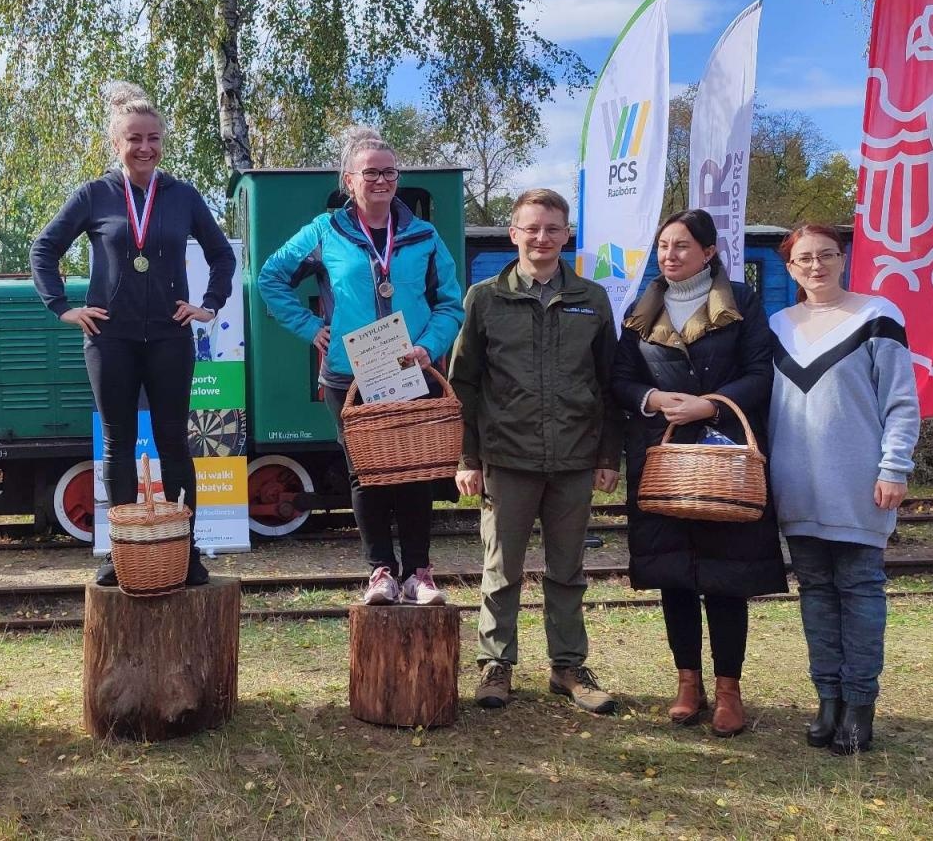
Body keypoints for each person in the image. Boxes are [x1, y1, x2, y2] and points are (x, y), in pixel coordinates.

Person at [30, 82, 236, 586]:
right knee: (118, 445)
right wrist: (62, 307)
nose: (144, 147)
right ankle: (121, 553)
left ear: (162, 141)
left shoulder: (182, 195)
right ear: (115, 143)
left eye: (153, 138)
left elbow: (222, 254)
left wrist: (209, 305)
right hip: (110, 338)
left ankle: (186, 553)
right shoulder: (94, 194)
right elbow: (44, 249)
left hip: (169, 336)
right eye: (133, 139)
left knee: (173, 443)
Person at [259, 125, 465, 605]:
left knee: (414, 469)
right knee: (365, 472)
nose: (382, 180)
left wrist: (427, 345)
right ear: (348, 180)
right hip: (348, 375)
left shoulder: (423, 235)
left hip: (409, 367)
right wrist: (311, 328)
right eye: (370, 172)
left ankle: (418, 573)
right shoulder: (324, 231)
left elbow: (450, 304)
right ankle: (380, 573)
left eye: (389, 171)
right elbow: (271, 278)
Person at [611, 209, 787, 737]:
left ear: (709, 252)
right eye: (664, 245)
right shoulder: (642, 309)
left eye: (682, 246)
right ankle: (688, 682)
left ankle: (729, 689)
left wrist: (709, 405)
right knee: (674, 574)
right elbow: (619, 378)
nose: (670, 255)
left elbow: (762, 374)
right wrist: (652, 397)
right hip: (663, 458)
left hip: (724, 456)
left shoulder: (742, 301)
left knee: (725, 576)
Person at [448, 188, 622, 714]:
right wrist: (467, 458)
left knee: (567, 570)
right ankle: (495, 665)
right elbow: (465, 384)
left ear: (566, 235)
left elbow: (609, 383)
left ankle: (567, 667)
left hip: (573, 458)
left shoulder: (591, 300)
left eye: (552, 229)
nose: (542, 238)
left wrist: (608, 456)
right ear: (514, 234)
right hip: (508, 458)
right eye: (532, 228)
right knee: (502, 569)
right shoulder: (484, 298)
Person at [769, 224, 919, 755]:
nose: (816, 266)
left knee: (859, 590)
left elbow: (900, 401)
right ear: (790, 268)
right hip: (795, 485)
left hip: (860, 483)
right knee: (814, 593)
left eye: (826, 255)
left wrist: (894, 467)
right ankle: (826, 699)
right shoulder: (778, 325)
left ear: (842, 258)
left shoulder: (878, 316)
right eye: (804, 258)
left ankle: (860, 705)